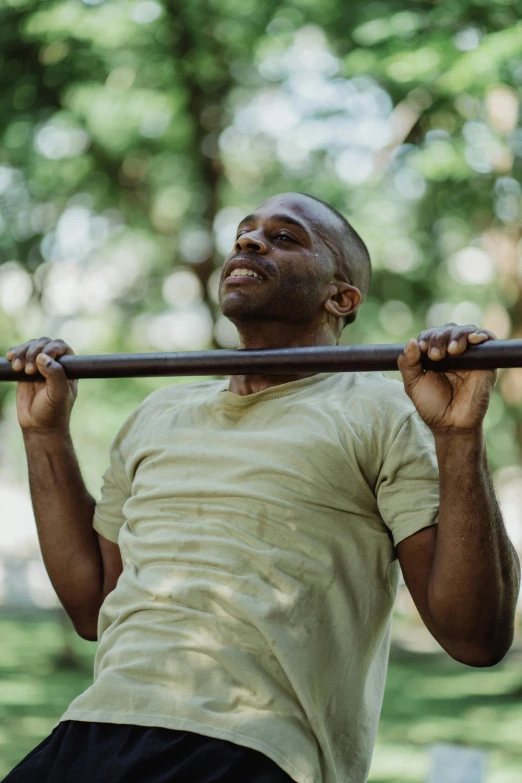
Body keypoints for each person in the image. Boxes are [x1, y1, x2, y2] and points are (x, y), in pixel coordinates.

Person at [4, 192, 520, 783]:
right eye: (244, 234)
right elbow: (93, 605)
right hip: (92, 728)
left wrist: (459, 435)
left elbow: (476, 638)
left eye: (285, 238)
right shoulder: (158, 411)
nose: (248, 243)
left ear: (341, 296)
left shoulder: (386, 413)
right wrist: (44, 434)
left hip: (252, 750)